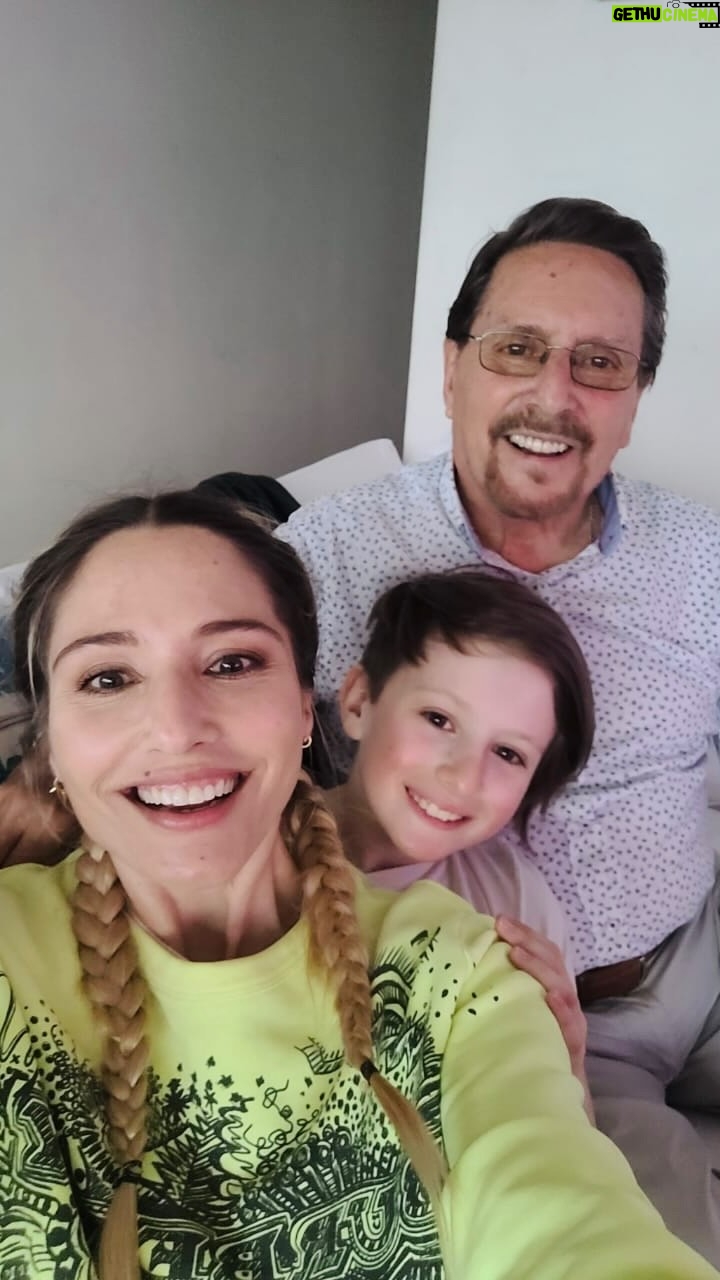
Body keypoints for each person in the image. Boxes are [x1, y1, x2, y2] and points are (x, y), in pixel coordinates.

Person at [3, 194, 720, 1260]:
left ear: (636, 395)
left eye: (600, 363)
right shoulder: (335, 553)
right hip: (559, 1015)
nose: (554, 393)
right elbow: (164, 661)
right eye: (518, 348)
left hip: (698, 948)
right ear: (453, 366)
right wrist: (33, 789)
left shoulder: (702, 558)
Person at [327, 568, 595, 1112]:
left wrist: (570, 1063)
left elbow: (563, 1125)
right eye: (438, 719)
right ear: (358, 702)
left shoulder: (515, 907)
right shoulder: (250, 846)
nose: (464, 779)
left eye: (508, 754)